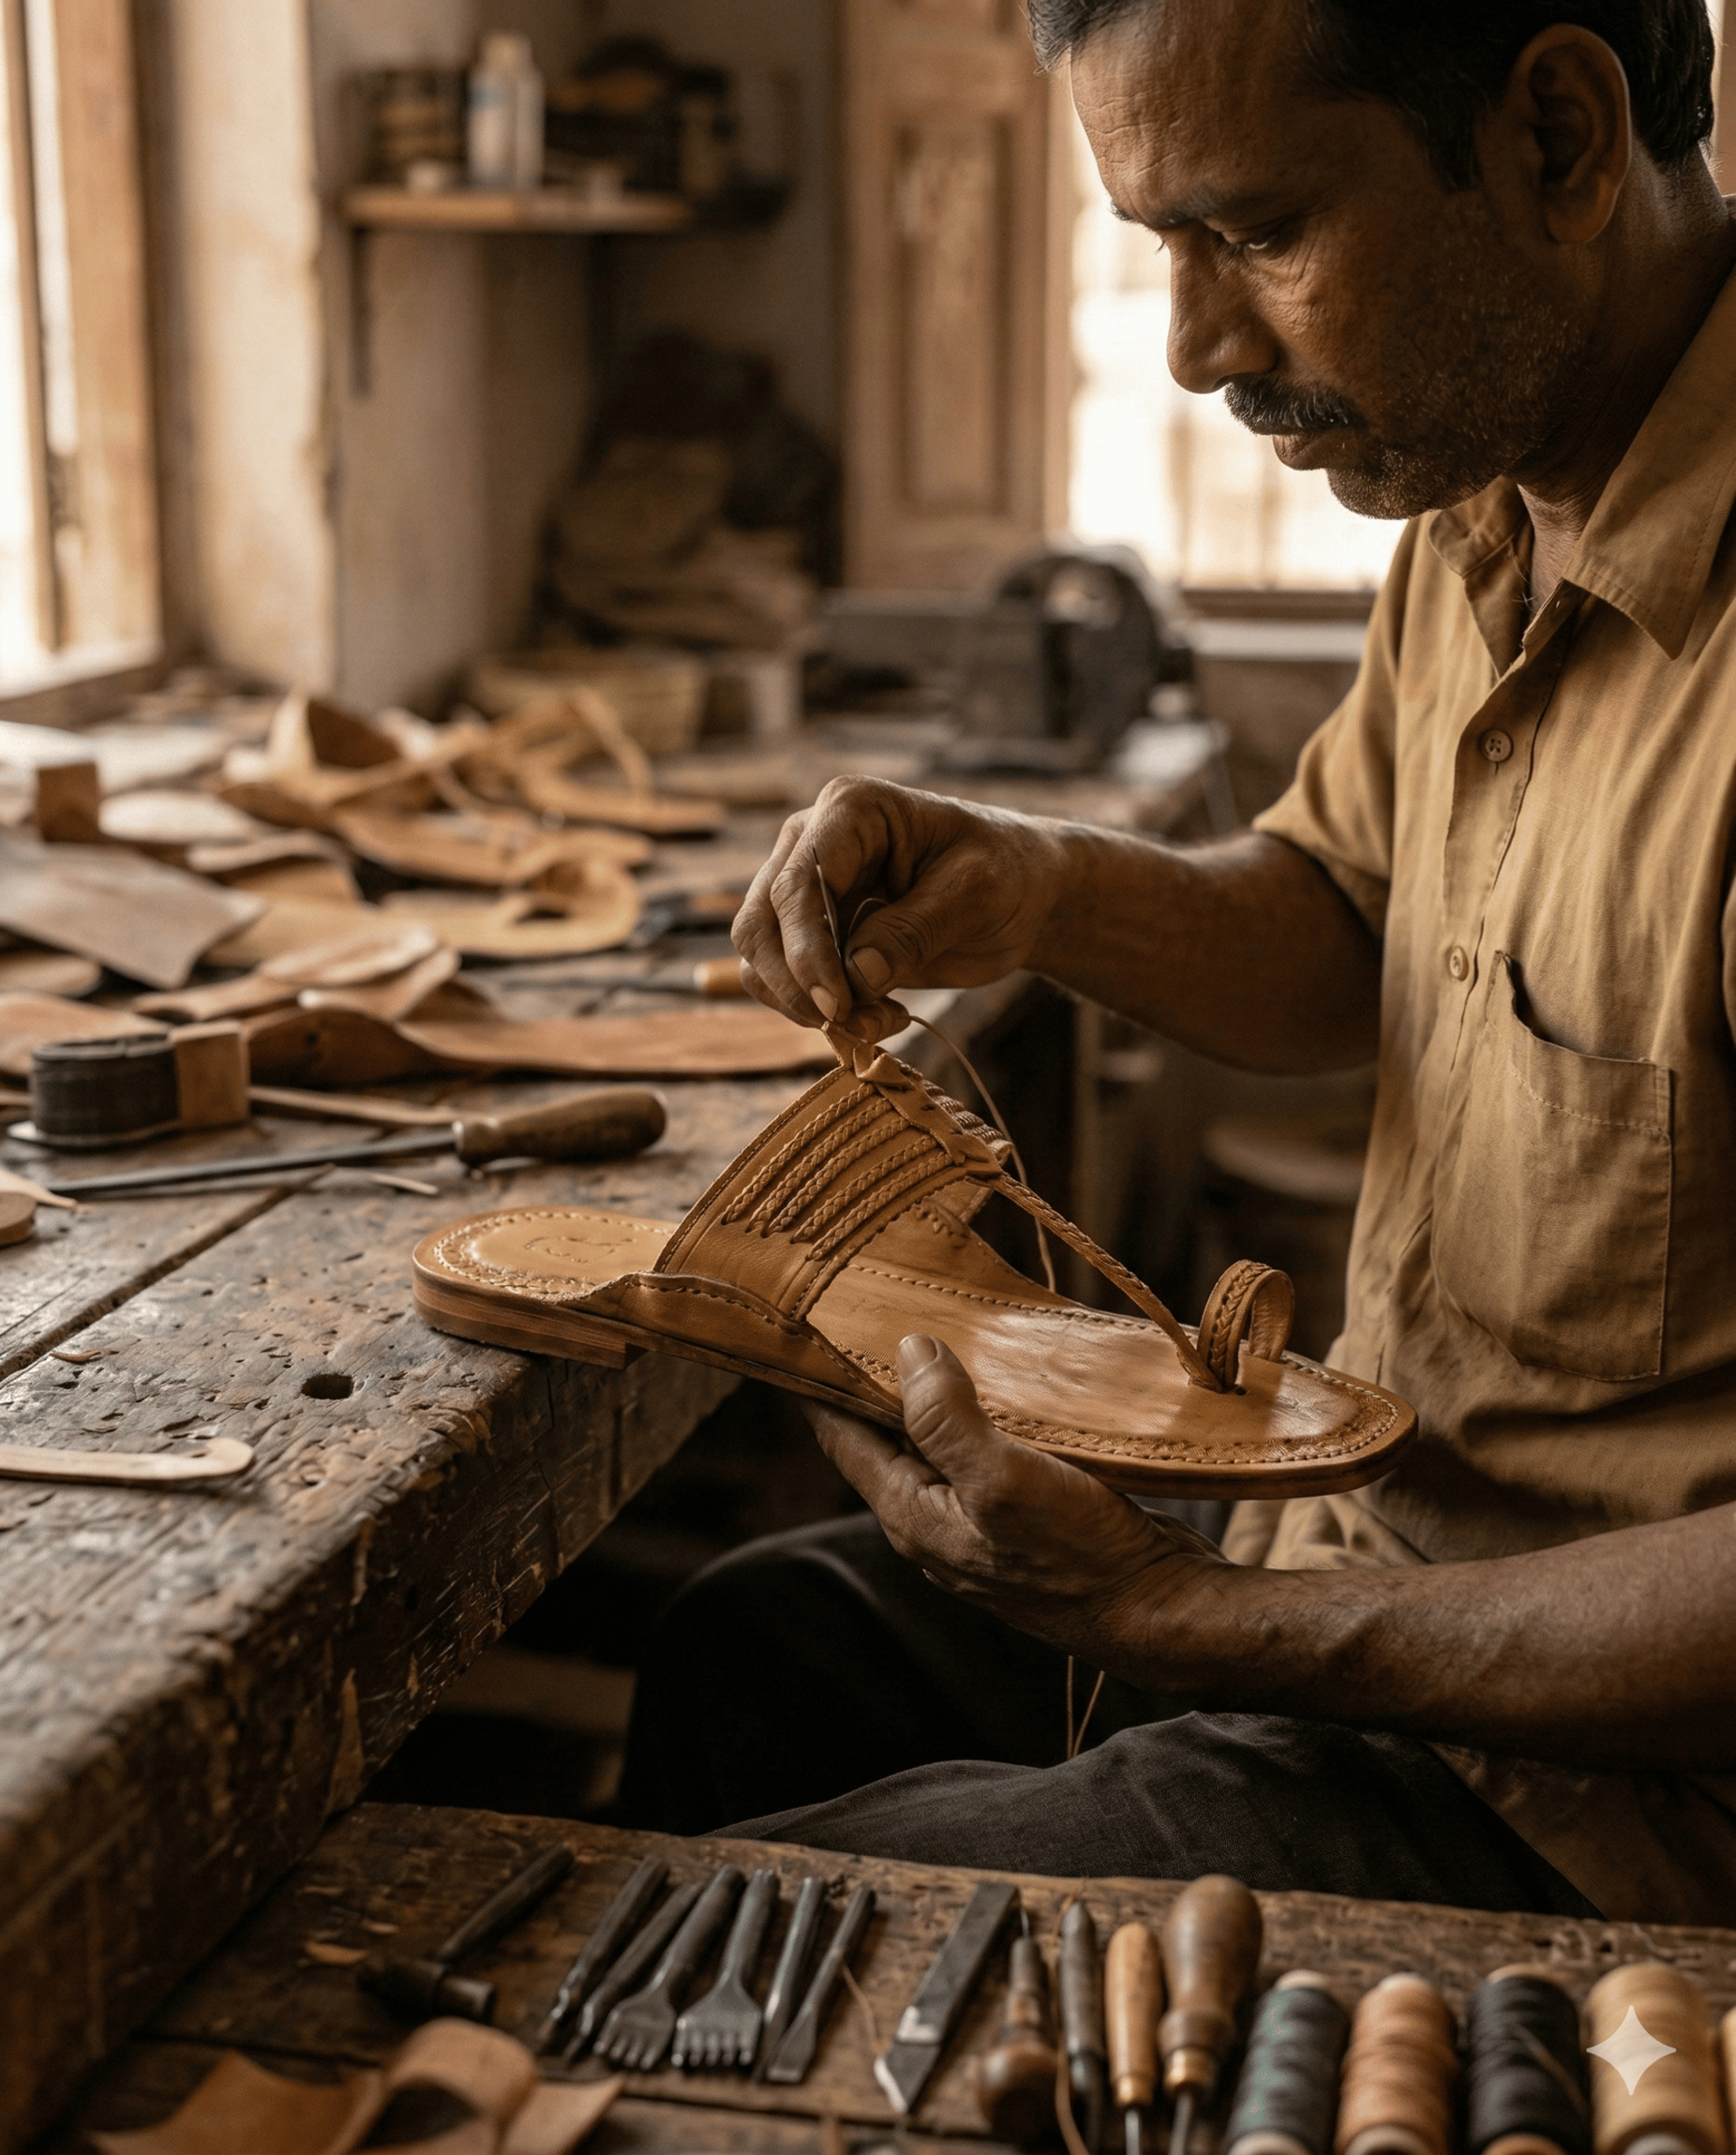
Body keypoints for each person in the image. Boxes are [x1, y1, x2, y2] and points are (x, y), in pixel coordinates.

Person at [618, 0, 1736, 1925]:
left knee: (717, 1932)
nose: (1196, 346)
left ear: (1556, 134)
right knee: (762, 1643)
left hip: (1616, 1804)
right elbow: (1348, 931)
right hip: (1357, 1564)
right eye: (1162, 247)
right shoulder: (1493, 481)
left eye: (1260, 231)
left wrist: (1195, 1621)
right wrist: (1038, 884)